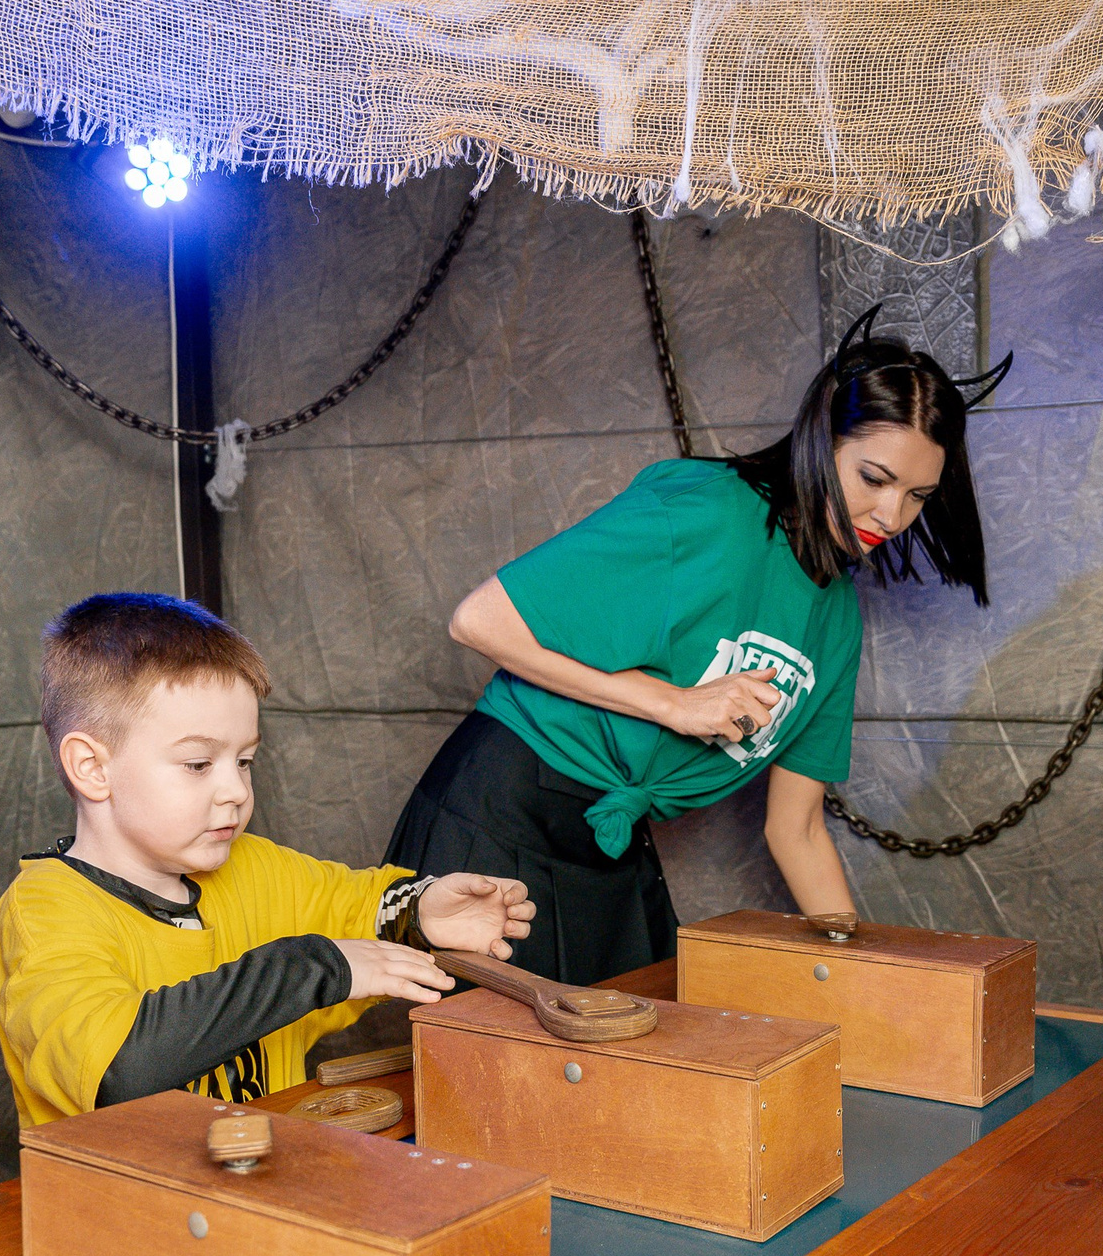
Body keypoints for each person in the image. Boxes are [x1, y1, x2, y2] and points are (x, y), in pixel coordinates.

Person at [385, 309, 1006, 986]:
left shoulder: (835, 620)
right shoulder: (708, 512)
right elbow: (478, 620)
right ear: (821, 435)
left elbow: (795, 830)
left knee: (643, 1060)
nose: (892, 516)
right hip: (500, 810)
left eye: (917, 495)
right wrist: (673, 703)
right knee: (496, 1075)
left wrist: (869, 975)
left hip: (607, 837)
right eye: (875, 478)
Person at [0, 593, 535, 1125]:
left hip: (260, 1190)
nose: (235, 791)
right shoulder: (45, 912)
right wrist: (313, 968)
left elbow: (355, 906)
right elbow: (121, 1069)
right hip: (123, 1209)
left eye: (245, 760)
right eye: (199, 764)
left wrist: (421, 912)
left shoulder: (250, 866)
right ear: (92, 767)